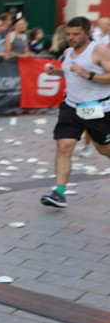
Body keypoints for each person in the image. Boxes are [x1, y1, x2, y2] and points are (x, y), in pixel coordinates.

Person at [39, 16, 110, 208]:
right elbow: (72, 73)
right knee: (64, 146)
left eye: (76, 34)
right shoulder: (68, 51)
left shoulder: (99, 51)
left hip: (97, 108)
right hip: (71, 106)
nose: (71, 38)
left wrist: (89, 75)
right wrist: (57, 72)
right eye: (68, 34)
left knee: (104, 149)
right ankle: (59, 193)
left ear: (87, 33)